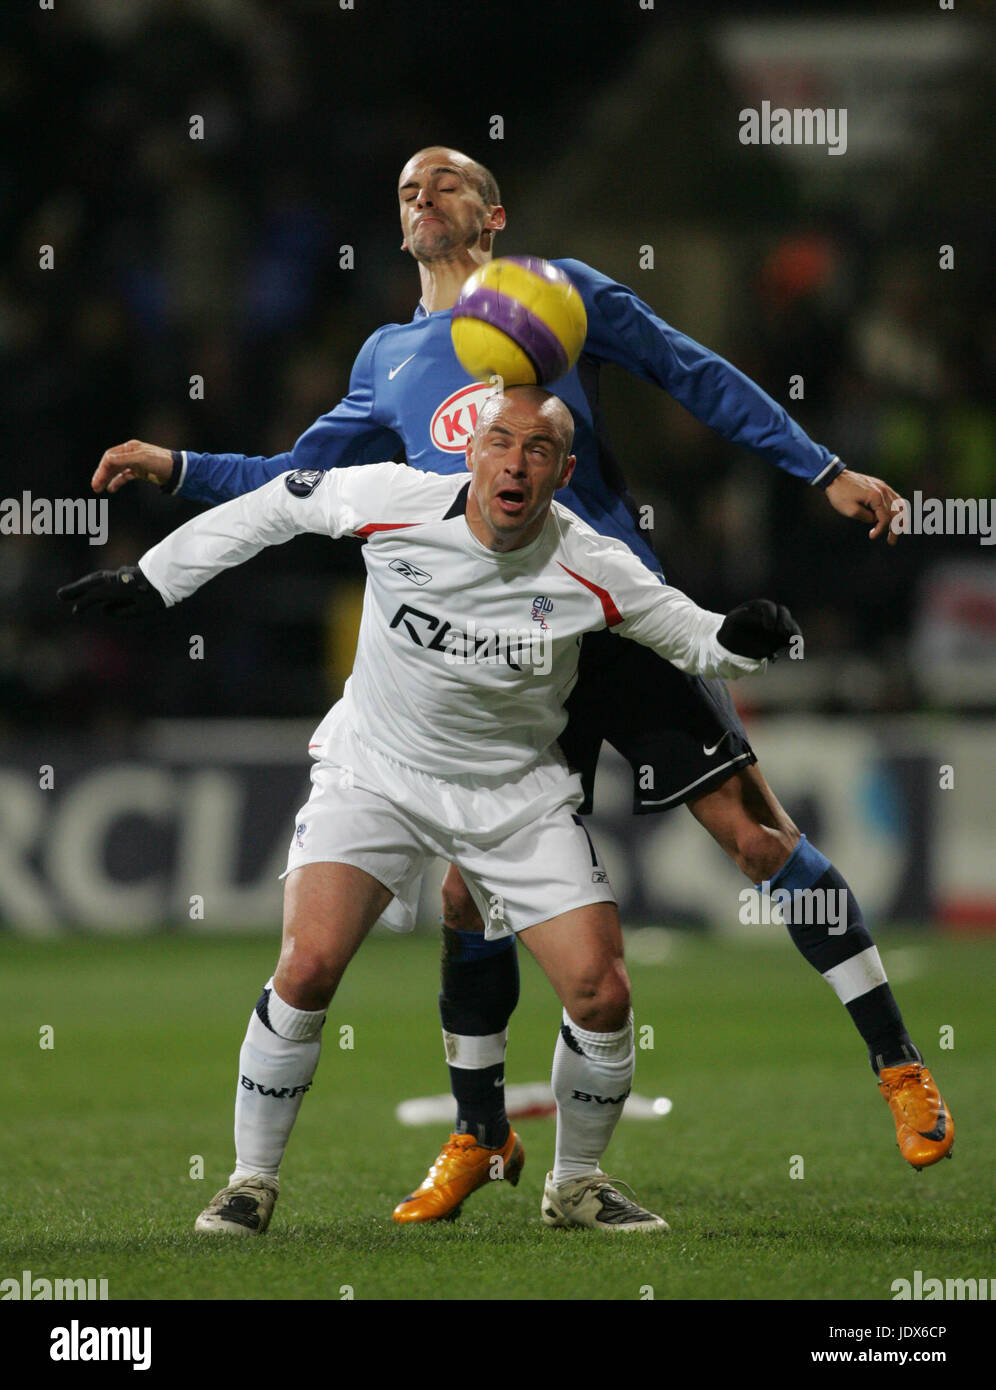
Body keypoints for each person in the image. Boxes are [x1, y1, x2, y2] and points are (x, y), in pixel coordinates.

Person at [88, 147, 953, 1223]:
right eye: (405, 185)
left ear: (492, 214)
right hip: (491, 653)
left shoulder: (563, 293)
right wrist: (178, 470)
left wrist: (824, 469)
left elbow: (694, 371)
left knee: (755, 833)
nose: (419, 195)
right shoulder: (391, 357)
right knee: (467, 892)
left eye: (445, 182)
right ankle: (480, 1132)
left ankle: (899, 1062)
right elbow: (294, 483)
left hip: (611, 610)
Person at [63, 386, 802, 1233]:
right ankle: (249, 1181)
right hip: (376, 772)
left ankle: (576, 1184)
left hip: (516, 797)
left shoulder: (593, 564)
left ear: (564, 472)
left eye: (537, 451)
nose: (515, 463)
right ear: (470, 451)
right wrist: (157, 580)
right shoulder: (391, 499)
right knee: (304, 969)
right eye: (501, 441)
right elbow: (273, 506)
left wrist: (744, 639)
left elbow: (692, 637)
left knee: (601, 994)